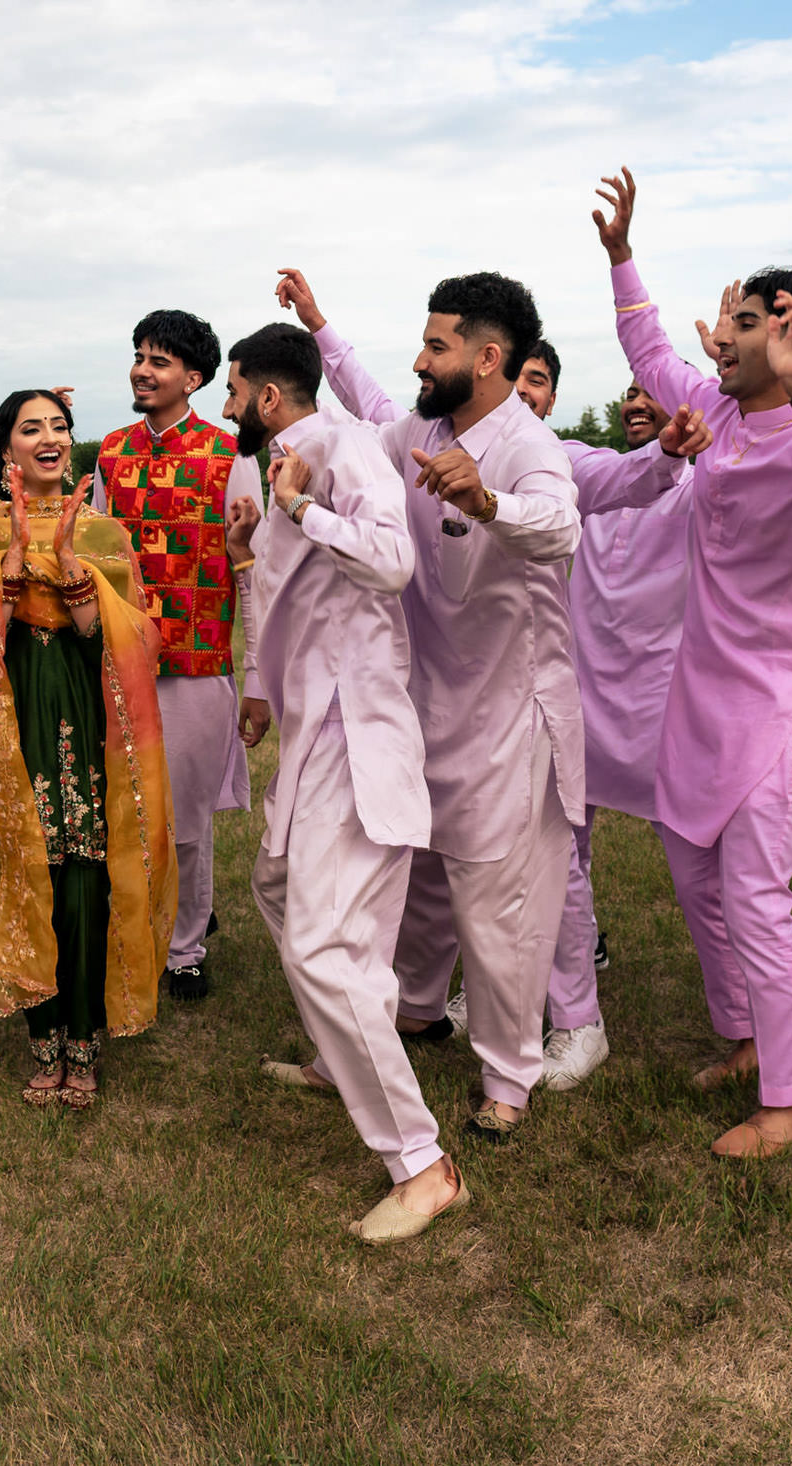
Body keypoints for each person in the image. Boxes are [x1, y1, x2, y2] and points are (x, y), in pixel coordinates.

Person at [593, 167, 792, 1157]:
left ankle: (789, 1100)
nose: (718, 341)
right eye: (725, 325)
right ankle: (743, 1039)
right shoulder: (714, 410)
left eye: (744, 326)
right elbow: (645, 347)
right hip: (698, 700)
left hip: (777, 707)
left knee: (757, 897)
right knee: (695, 880)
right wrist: (621, 255)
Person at [277, 267, 585, 1140]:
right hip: (416, 701)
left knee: (499, 902)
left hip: (507, 710)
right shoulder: (418, 428)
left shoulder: (528, 445)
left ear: (487, 359)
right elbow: (359, 420)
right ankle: (411, 1011)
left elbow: (561, 526)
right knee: (408, 878)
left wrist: (486, 502)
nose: (420, 359)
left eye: (436, 345)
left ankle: (508, 1076)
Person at [219, 323, 463, 1241]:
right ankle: (341, 1050)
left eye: (233, 391)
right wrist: (253, 684)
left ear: (269, 396)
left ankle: (422, 1166)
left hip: (359, 733)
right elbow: (278, 593)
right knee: (278, 890)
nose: (225, 406)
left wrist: (301, 513)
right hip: (311, 728)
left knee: (325, 945)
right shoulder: (277, 465)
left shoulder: (345, 447)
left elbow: (391, 561)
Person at [0, 388, 175, 1107]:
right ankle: (42, 1036)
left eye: (59, 427)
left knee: (86, 871)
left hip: (85, 706)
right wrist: (7, 565)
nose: (50, 438)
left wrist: (71, 565)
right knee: (23, 860)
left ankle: (83, 1038)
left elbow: (121, 642)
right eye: (31, 428)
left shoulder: (102, 533)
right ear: (5, 447)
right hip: (13, 714)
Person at [89, 310, 267, 1000]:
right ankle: (130, 929)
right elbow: (98, 557)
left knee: (187, 820)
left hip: (198, 666)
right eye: (139, 356)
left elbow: (251, 572)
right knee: (124, 809)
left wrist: (256, 677)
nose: (143, 369)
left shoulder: (232, 457)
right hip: (122, 662)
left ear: (194, 378)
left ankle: (186, 946)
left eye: (160, 361)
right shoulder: (110, 452)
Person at [544, 383, 704, 1089]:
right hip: (583, 695)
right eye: (630, 393)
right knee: (555, 854)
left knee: (707, 870)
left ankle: (755, 1029)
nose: (638, 403)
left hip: (670, 701)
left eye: (655, 393)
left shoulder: (707, 483)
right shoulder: (589, 469)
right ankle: (570, 1010)